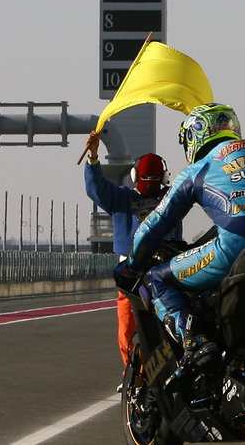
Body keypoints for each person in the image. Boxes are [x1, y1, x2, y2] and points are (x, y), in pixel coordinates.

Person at [124, 103, 245, 370]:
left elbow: (158, 221)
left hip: (235, 249)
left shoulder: (200, 168)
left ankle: (195, 344)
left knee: (158, 279)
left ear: (194, 135)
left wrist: (132, 262)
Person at [81, 135, 180, 366]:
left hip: (131, 271)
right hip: (165, 266)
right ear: (165, 177)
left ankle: (131, 371)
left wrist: (93, 158)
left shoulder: (122, 197)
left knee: (128, 322)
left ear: (134, 176)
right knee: (170, 315)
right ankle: (167, 367)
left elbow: (96, 188)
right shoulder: (172, 198)